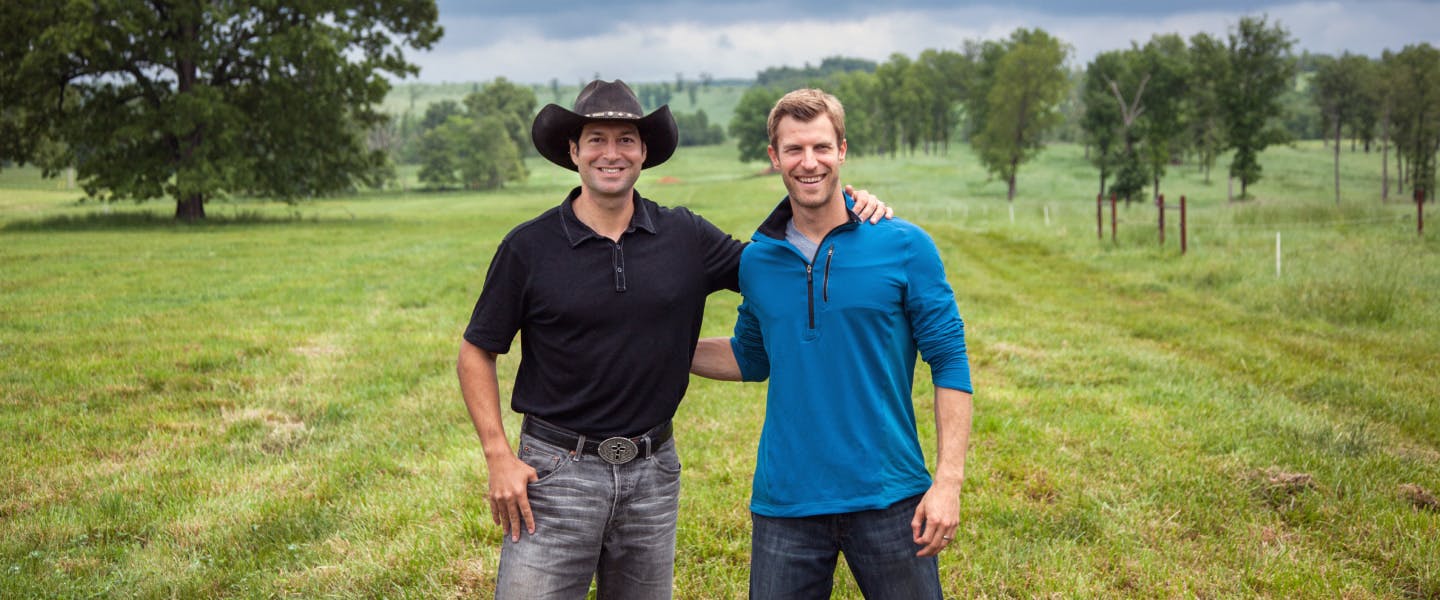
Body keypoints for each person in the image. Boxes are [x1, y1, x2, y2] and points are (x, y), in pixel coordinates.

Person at [455, 80, 890, 599]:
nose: (611, 153)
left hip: (652, 471)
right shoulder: (529, 247)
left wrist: (848, 208)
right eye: (596, 139)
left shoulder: (684, 236)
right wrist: (498, 455)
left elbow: (774, 265)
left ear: (643, 154)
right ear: (573, 152)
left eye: (626, 140)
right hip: (555, 473)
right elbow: (476, 352)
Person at [690, 88, 974, 599]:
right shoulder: (759, 260)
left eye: (821, 147)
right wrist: (656, 346)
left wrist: (948, 482)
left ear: (842, 150)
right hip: (787, 502)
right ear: (774, 157)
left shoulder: (904, 245)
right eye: (794, 150)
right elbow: (750, 357)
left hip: (890, 495)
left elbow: (950, 361)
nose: (809, 162)